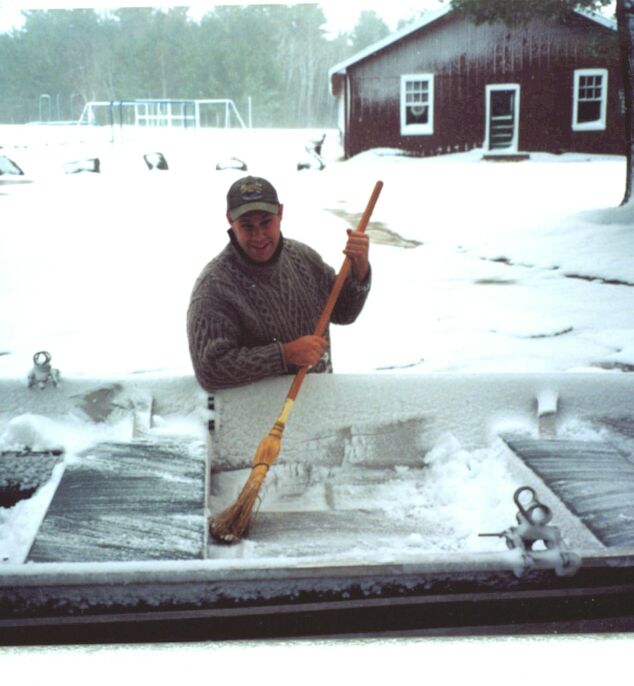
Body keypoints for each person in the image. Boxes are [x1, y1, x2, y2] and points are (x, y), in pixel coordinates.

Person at [187, 175, 371, 392]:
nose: (258, 236)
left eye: (266, 222)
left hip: (321, 402)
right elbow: (211, 370)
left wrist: (359, 269)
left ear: (280, 213)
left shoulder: (303, 257)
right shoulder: (213, 287)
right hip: (258, 411)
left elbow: (343, 312)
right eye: (247, 226)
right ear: (230, 220)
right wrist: (284, 355)